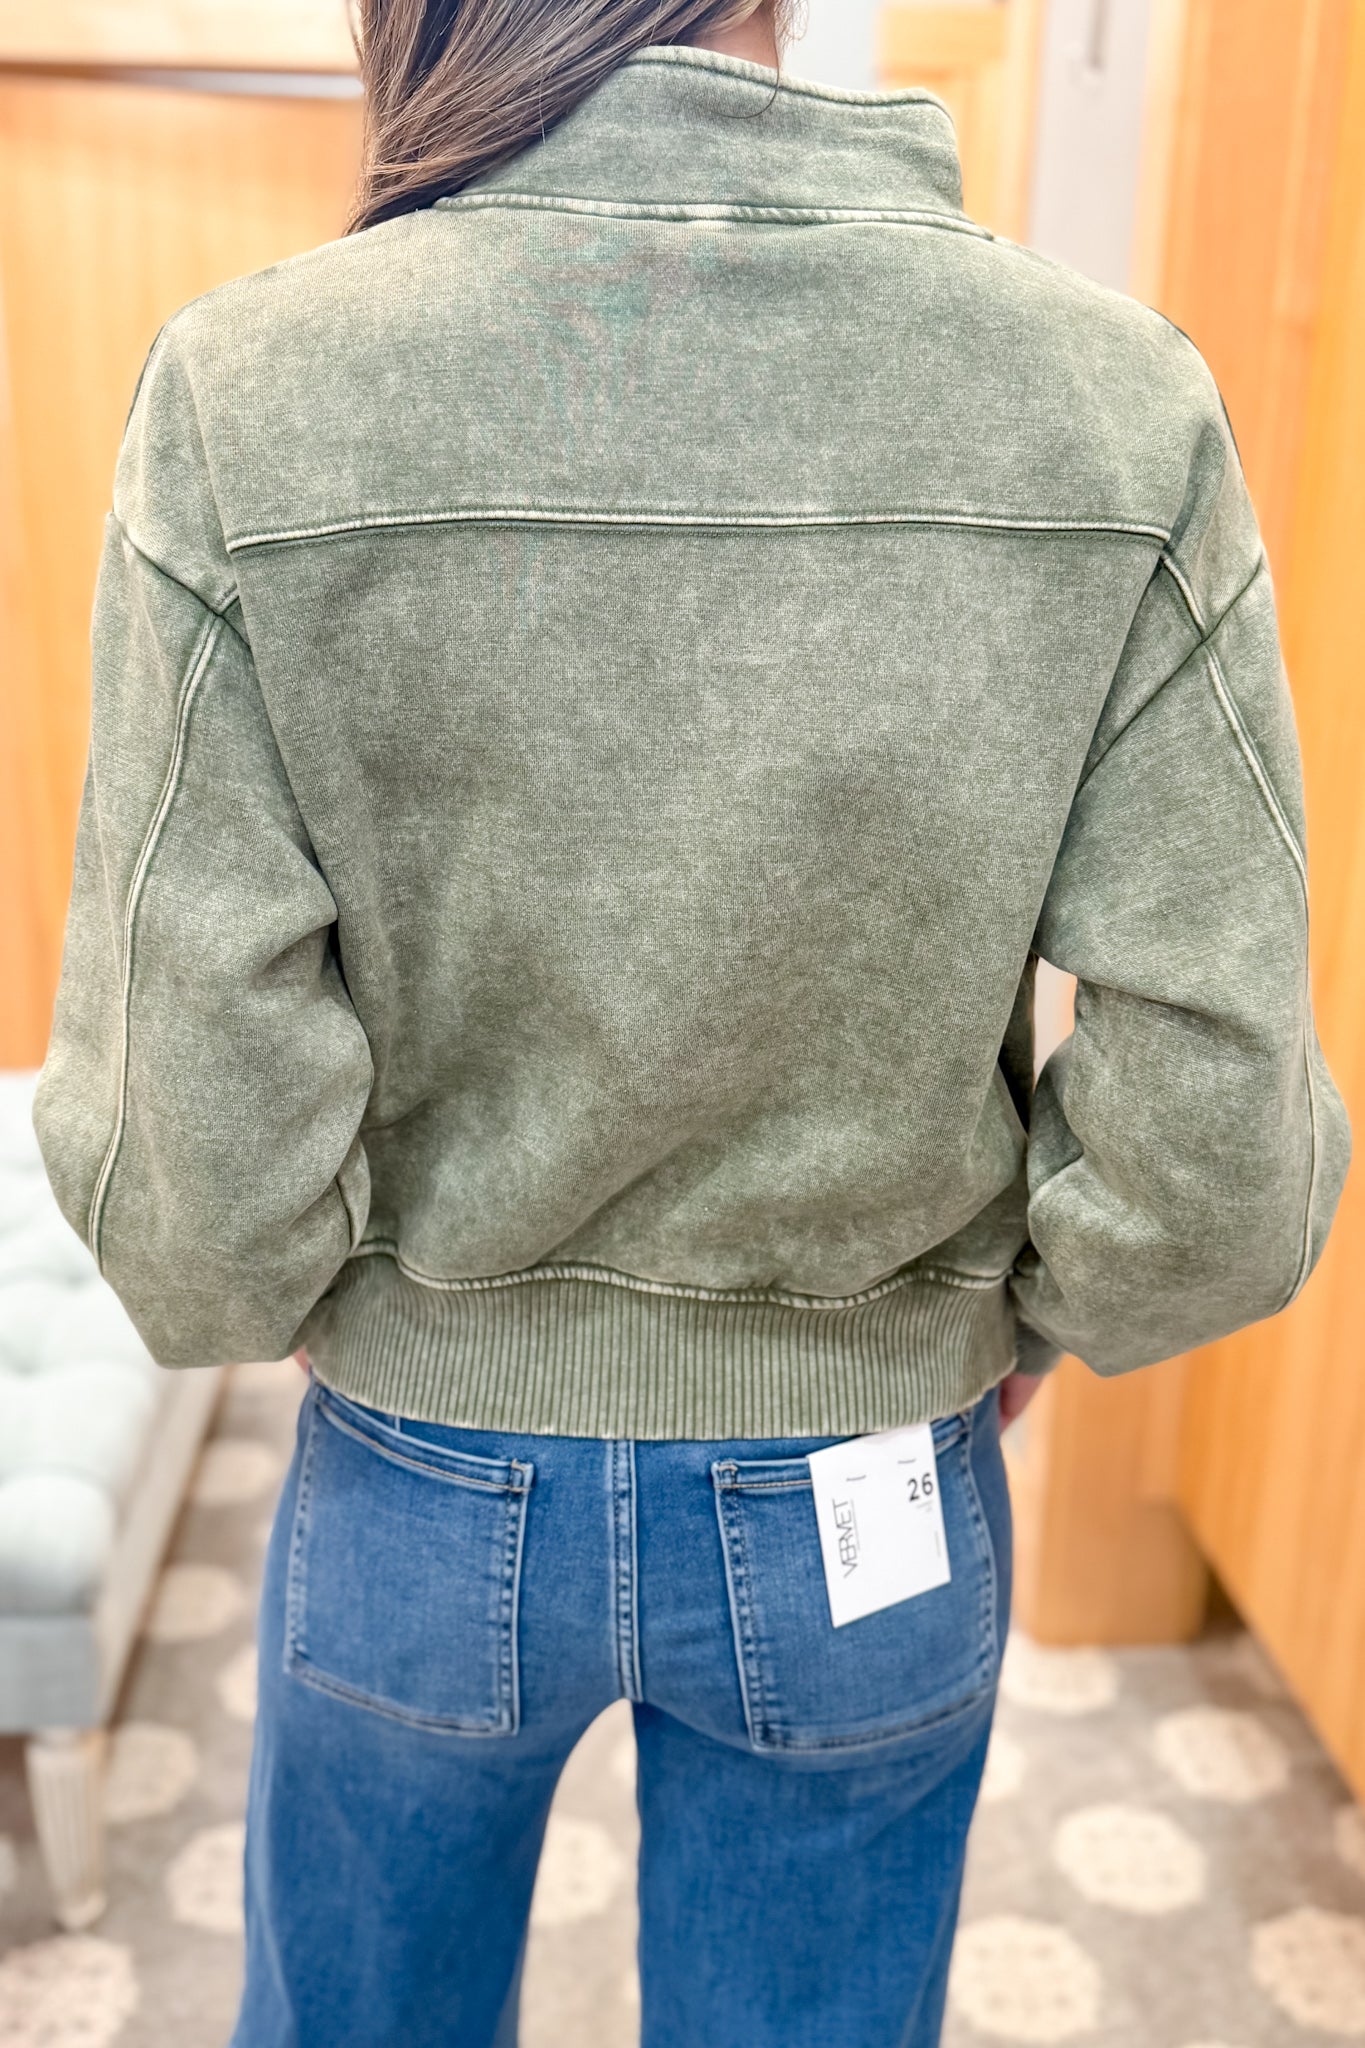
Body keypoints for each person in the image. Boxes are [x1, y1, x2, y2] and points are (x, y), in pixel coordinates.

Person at [34, 1, 1349, 2042]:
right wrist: (1019, 1311)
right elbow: (1214, 1132)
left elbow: (192, 1131)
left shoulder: (254, 392)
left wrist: (305, 1291)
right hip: (872, 1465)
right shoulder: (1107, 403)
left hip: (418, 1465)